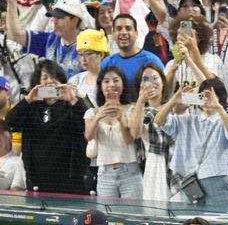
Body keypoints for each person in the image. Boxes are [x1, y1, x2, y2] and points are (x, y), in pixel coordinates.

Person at [6, 60, 88, 195]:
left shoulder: (71, 104)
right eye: (44, 78)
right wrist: (28, 99)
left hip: (70, 178)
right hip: (38, 178)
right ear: (36, 82)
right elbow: (10, 123)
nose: (50, 81)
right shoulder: (30, 106)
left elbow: (86, 125)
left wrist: (73, 100)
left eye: (54, 77)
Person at [155, 78, 228, 207]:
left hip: (216, 180)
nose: (206, 100)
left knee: (221, 223)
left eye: (210, 96)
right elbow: (159, 121)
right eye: (202, 96)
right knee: (188, 223)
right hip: (188, 181)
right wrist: (173, 101)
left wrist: (219, 107)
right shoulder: (187, 120)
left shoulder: (225, 120)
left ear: (220, 98)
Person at [84, 65, 143, 199]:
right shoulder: (92, 112)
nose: (111, 85)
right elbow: (89, 136)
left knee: (133, 215)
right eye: (106, 81)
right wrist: (99, 116)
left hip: (130, 171)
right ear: (100, 86)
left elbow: (129, 140)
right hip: (105, 173)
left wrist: (121, 118)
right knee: (107, 215)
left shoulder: (132, 109)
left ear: (123, 84)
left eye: (116, 80)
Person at [4, 0, 90, 78]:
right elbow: (16, 35)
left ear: (75, 20)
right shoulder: (50, 39)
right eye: (54, 17)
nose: (54, 21)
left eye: (60, 17)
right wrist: (11, 3)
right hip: (49, 90)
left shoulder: (90, 44)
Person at [129, 63, 172, 204]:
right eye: (145, 79)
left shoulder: (174, 107)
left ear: (163, 82)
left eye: (155, 78)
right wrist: (141, 100)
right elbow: (135, 133)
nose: (151, 83)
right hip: (154, 167)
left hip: (176, 165)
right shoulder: (136, 110)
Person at [102, 13, 163, 86]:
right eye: (119, 29)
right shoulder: (107, 63)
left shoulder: (151, 61)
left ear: (136, 33)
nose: (123, 32)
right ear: (113, 34)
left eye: (128, 28)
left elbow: (160, 91)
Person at [69, 29, 110, 109]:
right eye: (80, 54)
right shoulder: (75, 81)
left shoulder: (111, 80)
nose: (83, 59)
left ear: (101, 55)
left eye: (88, 54)